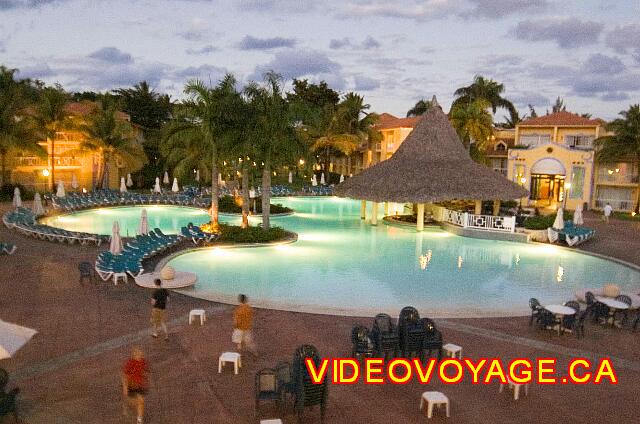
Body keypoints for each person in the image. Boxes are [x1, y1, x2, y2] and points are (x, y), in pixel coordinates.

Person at [122, 347, 148, 424]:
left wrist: (145, 378)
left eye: (141, 354)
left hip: (140, 384)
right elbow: (124, 375)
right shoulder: (130, 363)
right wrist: (125, 386)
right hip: (131, 384)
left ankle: (139, 419)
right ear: (134, 356)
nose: (140, 356)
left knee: (141, 401)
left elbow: (145, 370)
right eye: (139, 355)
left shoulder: (143, 361)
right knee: (133, 402)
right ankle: (127, 405)